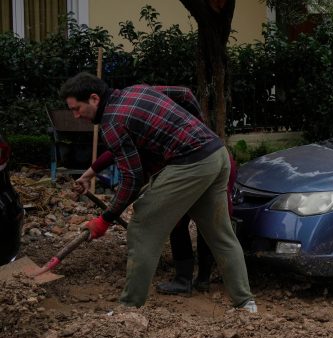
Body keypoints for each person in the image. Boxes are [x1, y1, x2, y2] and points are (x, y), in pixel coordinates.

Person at [59, 72, 256, 312]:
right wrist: (197, 127)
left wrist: (105, 219)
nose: (76, 116)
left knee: (142, 226)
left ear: (94, 99)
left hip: (190, 163)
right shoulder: (137, 89)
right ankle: (246, 303)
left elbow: (132, 178)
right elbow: (185, 93)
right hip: (217, 153)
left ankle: (128, 308)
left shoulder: (112, 122)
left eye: (77, 109)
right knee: (221, 234)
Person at [75, 148, 238, 294]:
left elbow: (130, 181)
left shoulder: (144, 146)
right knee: (209, 221)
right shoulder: (155, 134)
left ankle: (185, 280)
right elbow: (113, 153)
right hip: (219, 159)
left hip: (196, 167)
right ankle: (202, 279)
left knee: (178, 220)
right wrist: (89, 174)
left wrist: (106, 218)